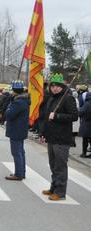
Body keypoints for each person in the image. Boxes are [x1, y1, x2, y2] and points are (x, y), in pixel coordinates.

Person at [40, 73, 78, 201]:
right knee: (53, 165)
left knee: (60, 166)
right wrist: (43, 133)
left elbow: (74, 116)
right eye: (53, 86)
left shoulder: (68, 98)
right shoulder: (52, 98)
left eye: (57, 86)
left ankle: (60, 192)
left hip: (62, 139)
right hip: (51, 137)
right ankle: (53, 187)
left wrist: (57, 116)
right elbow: (46, 118)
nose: (55, 88)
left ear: (62, 87)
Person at [5, 80, 30, 181]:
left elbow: (9, 114)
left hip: (16, 129)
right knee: (20, 152)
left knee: (16, 152)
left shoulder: (18, 102)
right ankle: (21, 172)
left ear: (14, 91)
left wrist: (9, 105)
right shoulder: (23, 100)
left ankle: (18, 174)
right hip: (21, 129)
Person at [78, 92, 91, 158]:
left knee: (85, 140)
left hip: (86, 124)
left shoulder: (87, 104)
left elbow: (80, 112)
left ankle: (84, 153)